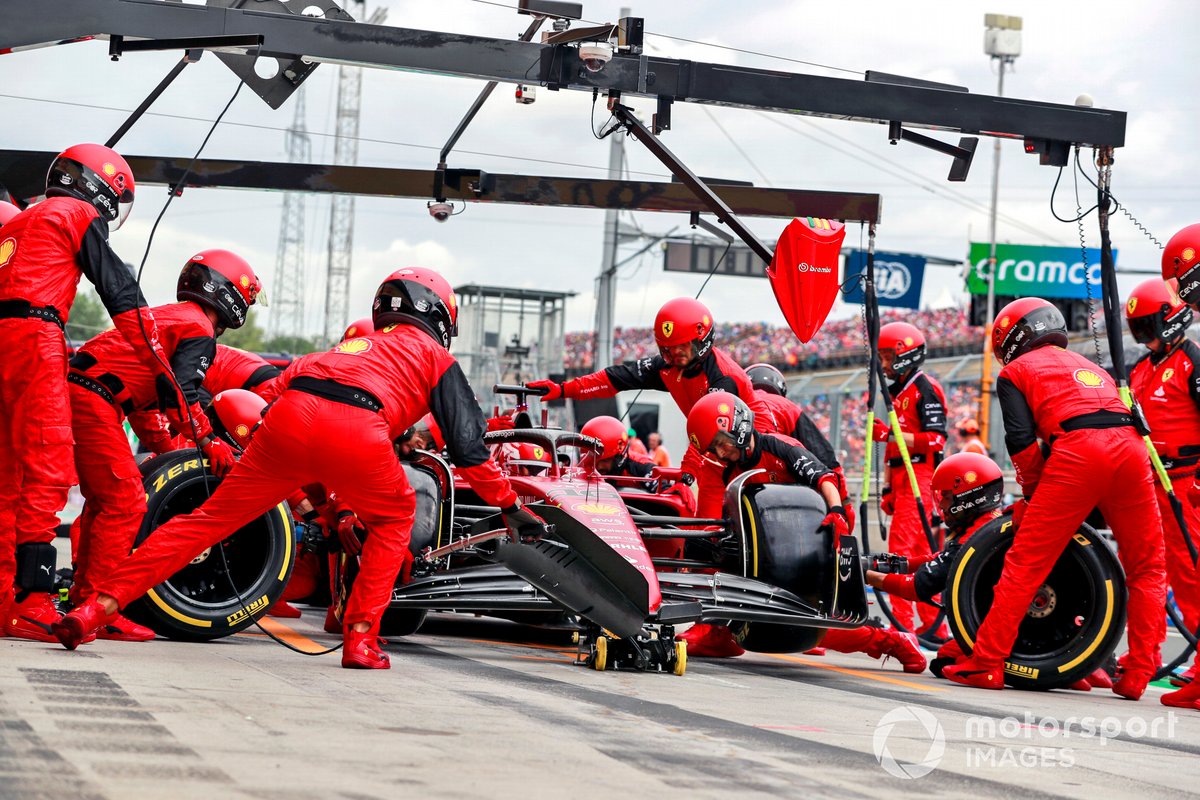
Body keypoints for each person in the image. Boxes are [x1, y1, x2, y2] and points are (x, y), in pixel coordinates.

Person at [54, 267, 549, 670]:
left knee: (204, 523)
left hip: (290, 414)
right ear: (439, 314)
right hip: (358, 424)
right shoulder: (434, 355)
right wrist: (509, 505)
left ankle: (94, 609)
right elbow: (468, 448)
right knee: (396, 516)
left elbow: (264, 400)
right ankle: (360, 639)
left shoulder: (343, 348)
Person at [943, 298, 1167, 699]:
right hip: (1133, 450)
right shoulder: (1091, 366)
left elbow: (1021, 442)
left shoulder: (1015, 371)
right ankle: (1137, 674)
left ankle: (987, 662)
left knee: (1026, 561)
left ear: (1011, 337)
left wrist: (1032, 493)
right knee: (1148, 566)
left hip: (1080, 451)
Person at [1, 144, 174, 641]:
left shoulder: (18, 221)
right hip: (35, 335)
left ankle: (4, 599)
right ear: (100, 186)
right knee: (45, 467)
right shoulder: (74, 213)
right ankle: (33, 602)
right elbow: (118, 288)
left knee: (5, 478)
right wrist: (156, 361)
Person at [65, 250, 264, 641]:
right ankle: (98, 607)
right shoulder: (198, 329)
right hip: (94, 398)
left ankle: (81, 599)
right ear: (232, 295)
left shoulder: (171, 317)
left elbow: (146, 399)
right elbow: (180, 393)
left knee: (107, 501)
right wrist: (208, 442)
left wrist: (169, 446)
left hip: (87, 391)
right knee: (125, 503)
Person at [682, 392, 923, 670]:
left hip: (807, 547)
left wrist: (836, 511)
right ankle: (719, 631)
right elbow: (716, 519)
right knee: (700, 547)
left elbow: (822, 476)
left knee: (813, 626)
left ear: (737, 426)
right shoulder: (723, 470)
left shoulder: (780, 446)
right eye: (714, 449)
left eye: (721, 443)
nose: (721, 452)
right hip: (761, 557)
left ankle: (892, 642)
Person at [527, 297, 776, 515]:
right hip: (717, 448)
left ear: (702, 340)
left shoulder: (723, 378)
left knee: (749, 509)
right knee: (702, 524)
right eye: (669, 349)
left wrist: (686, 475)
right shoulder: (668, 367)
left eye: (683, 346)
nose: (676, 354)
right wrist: (563, 389)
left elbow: (708, 431)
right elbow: (614, 378)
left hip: (756, 444)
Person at [1125, 278, 1200, 708]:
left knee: (1190, 574)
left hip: (1186, 485)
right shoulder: (1139, 367)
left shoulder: (1193, 359)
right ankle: (1143, 657)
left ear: (1171, 319)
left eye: (1147, 325)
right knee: (1144, 572)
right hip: (1147, 484)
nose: (1143, 335)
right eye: (1137, 328)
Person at [870, 321, 948, 636]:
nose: (883, 363)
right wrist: (888, 486)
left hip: (922, 474)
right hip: (902, 475)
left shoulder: (925, 387)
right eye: (882, 357)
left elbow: (936, 440)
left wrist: (890, 434)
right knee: (916, 555)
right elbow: (893, 449)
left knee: (900, 551)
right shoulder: (896, 391)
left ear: (905, 354)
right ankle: (934, 626)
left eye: (888, 356)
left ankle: (901, 624)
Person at [746, 362, 851, 513]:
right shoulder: (788, 407)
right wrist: (844, 504)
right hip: (783, 492)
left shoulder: (735, 408)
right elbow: (824, 457)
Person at [579, 415, 695, 515]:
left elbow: (664, 489)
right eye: (592, 460)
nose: (598, 467)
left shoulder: (641, 466)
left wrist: (675, 490)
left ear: (619, 455)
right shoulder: (582, 466)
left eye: (603, 461)